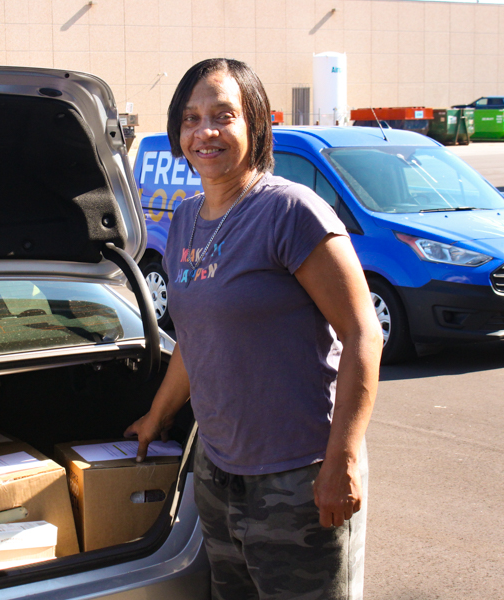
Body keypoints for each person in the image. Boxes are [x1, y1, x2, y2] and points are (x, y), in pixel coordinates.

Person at [125, 58, 383, 600]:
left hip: (300, 477)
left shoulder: (290, 212)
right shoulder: (184, 221)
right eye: (191, 118)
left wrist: (344, 460)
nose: (205, 132)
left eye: (223, 115)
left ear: (256, 124)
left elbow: (364, 333)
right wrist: (156, 416)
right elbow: (195, 340)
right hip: (218, 473)